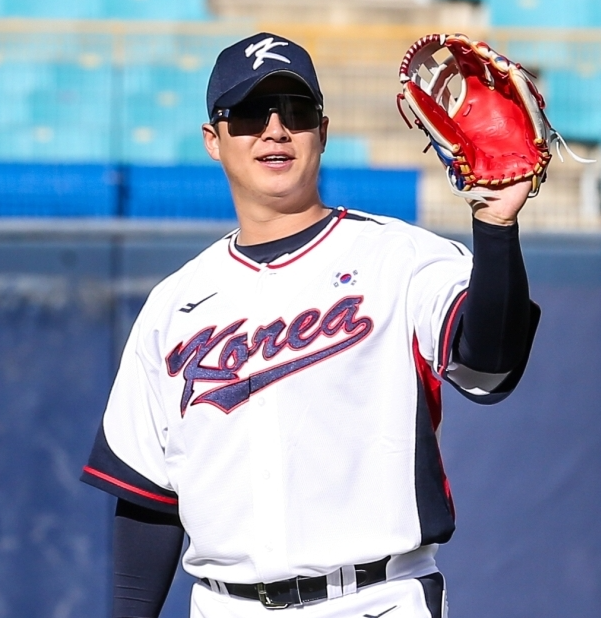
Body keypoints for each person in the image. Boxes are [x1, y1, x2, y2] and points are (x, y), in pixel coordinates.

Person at [81, 32, 540, 618]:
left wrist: (496, 228)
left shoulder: (402, 257)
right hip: (226, 606)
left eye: (295, 112)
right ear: (213, 140)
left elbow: (491, 364)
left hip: (379, 599)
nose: (275, 130)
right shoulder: (172, 305)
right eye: (250, 113)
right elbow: (148, 498)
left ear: (322, 132)